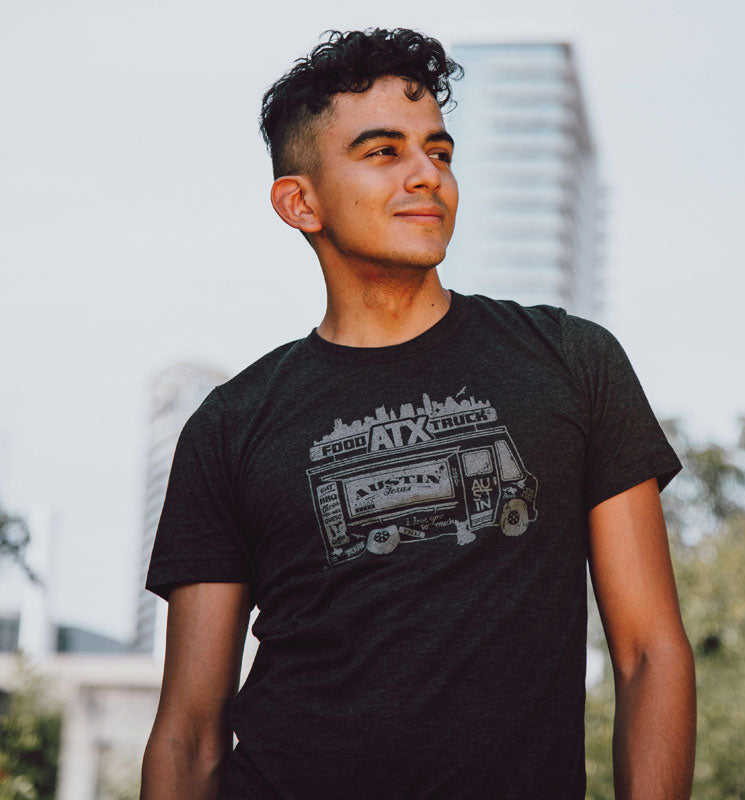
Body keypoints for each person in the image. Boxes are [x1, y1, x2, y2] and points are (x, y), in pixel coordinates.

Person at [140, 27, 696, 800]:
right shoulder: (231, 425)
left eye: (439, 151)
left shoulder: (573, 360)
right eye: (382, 153)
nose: (426, 176)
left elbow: (649, 653)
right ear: (300, 202)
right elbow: (189, 730)